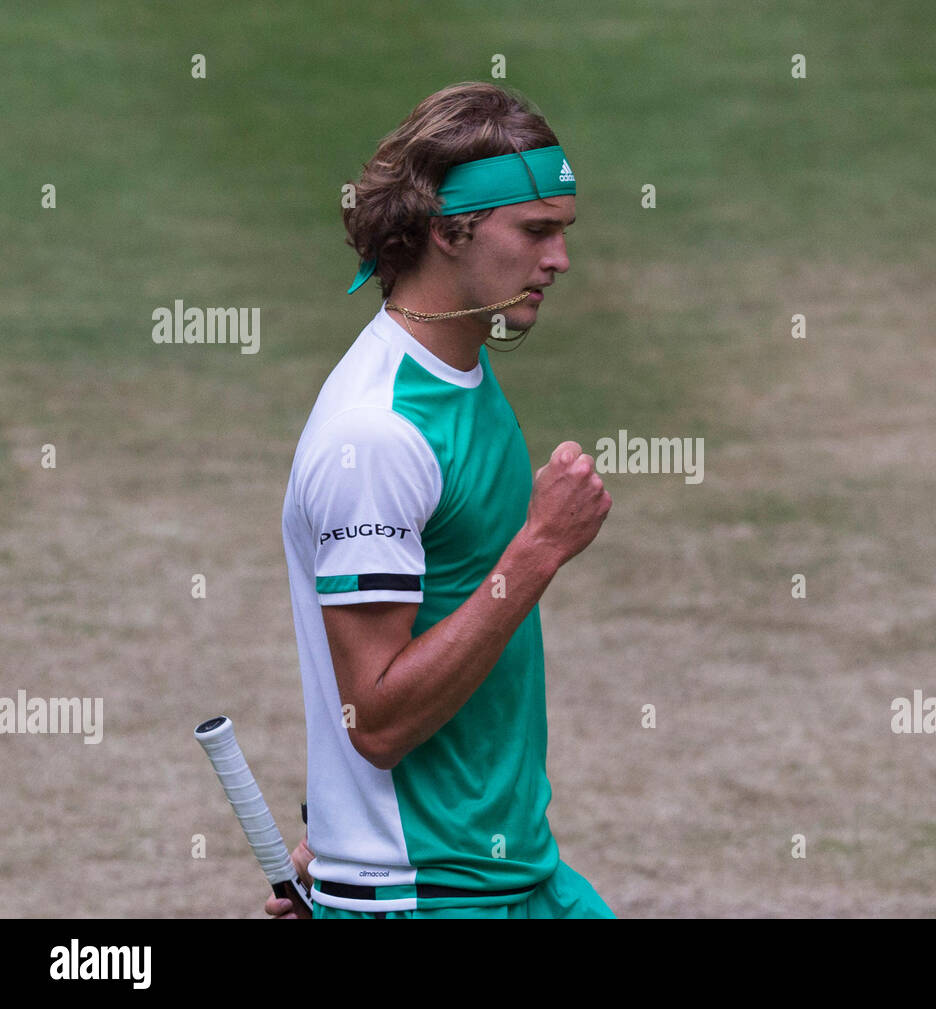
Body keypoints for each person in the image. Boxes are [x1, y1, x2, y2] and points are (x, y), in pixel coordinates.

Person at [269, 82, 614, 918]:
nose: (559, 260)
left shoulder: (460, 368)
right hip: (429, 894)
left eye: (563, 231)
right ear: (446, 229)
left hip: (514, 873)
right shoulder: (380, 437)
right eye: (536, 231)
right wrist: (538, 550)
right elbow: (377, 717)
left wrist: (339, 822)